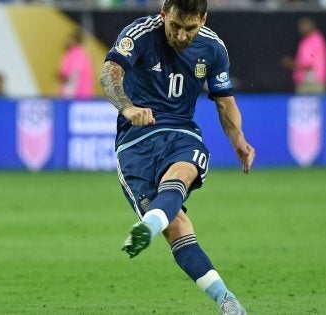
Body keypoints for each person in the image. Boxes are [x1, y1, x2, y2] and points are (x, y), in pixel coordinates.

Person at [99, 1, 255, 314]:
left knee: (183, 173)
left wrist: (238, 138)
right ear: (163, 14)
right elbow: (109, 73)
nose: (181, 35)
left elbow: (225, 103)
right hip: (135, 143)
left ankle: (228, 303)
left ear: (204, 19)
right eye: (175, 26)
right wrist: (127, 107)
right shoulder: (140, 33)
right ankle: (158, 224)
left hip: (182, 133)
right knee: (177, 226)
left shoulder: (213, 48)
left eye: (190, 28)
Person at [281, 17, 326, 95]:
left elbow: (309, 64)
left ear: (312, 26)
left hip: (314, 83)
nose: (301, 28)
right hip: (304, 81)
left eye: (304, 25)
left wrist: (292, 64)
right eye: (300, 26)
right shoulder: (305, 41)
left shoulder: (316, 40)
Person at [58, 30, 94, 99]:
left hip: (74, 97)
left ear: (74, 40)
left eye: (68, 38)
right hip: (85, 96)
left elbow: (70, 76)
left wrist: (60, 75)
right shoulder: (84, 55)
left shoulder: (73, 55)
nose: (65, 41)